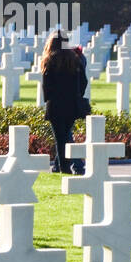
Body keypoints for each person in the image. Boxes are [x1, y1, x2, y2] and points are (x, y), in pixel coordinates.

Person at [40, 29, 88, 174]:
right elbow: (83, 81)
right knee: (66, 135)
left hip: (56, 105)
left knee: (61, 138)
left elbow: (46, 85)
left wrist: (47, 98)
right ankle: (59, 166)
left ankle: (65, 168)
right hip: (72, 104)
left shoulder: (49, 60)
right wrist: (78, 95)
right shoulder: (75, 59)